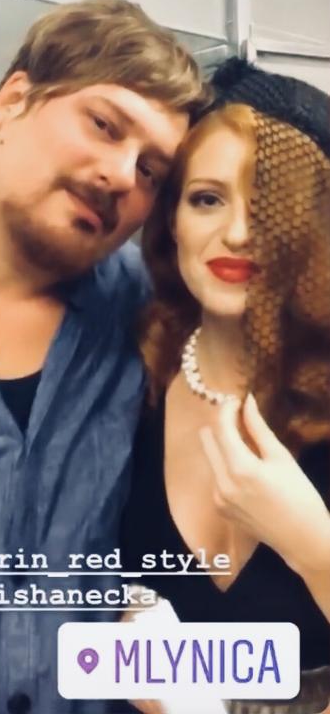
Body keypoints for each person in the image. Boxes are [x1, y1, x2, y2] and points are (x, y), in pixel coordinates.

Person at [0, 0, 209, 713]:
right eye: (104, 124)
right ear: (13, 100)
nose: (122, 175)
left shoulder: (153, 319)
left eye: (152, 170)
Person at [121, 57, 330, 714]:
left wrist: (313, 548)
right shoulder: (124, 382)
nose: (237, 232)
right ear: (171, 219)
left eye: (272, 205)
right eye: (207, 198)